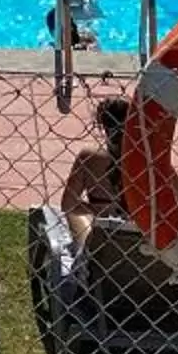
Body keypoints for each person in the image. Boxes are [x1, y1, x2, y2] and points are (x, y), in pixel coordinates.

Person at [58, 99, 129, 247]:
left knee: (76, 215)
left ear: (103, 127)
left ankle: (88, 247)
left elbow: (68, 204)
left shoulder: (89, 157)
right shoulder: (149, 160)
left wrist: (97, 209)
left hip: (100, 230)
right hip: (138, 231)